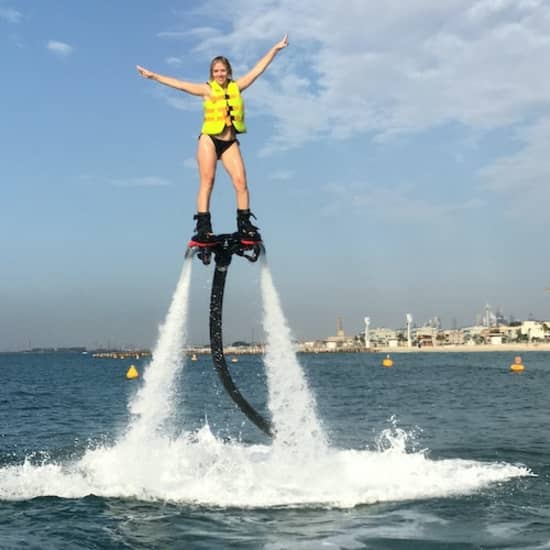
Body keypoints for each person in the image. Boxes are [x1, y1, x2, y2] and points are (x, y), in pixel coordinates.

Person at [137, 34, 288, 246]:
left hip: (229, 142)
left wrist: (275, 49)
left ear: (228, 72)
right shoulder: (206, 89)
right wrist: (153, 76)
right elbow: (180, 84)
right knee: (208, 182)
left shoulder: (238, 86)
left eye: (223, 70)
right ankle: (203, 229)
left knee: (241, 182)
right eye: (216, 71)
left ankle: (244, 225)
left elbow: (258, 69)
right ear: (212, 73)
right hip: (209, 140)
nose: (220, 74)